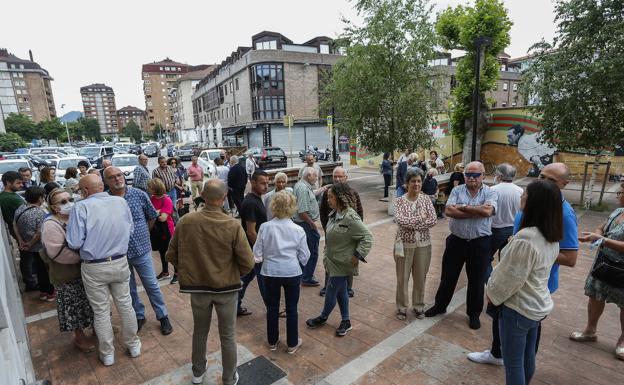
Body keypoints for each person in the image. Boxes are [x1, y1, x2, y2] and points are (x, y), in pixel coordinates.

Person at [468, 162, 578, 366]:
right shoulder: (532, 204)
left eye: (551, 180)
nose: (543, 183)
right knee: (503, 324)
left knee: (523, 345)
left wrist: (530, 254)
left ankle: (513, 362)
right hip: (513, 277)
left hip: (533, 284)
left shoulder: (563, 213)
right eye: (541, 176)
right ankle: (497, 353)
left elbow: (570, 258)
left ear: (564, 184)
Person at [166, 179, 254, 385]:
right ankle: (229, 377)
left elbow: (171, 254)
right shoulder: (232, 225)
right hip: (227, 288)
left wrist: (189, 271)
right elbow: (248, 262)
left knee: (199, 331)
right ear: (223, 199)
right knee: (228, 336)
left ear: (203, 196)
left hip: (198, 289)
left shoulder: (186, 221)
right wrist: (231, 273)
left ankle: (197, 372)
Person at [486, 179, 562, 385]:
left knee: (513, 363)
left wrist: (491, 295)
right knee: (527, 357)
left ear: (535, 202)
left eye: (526, 193)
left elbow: (509, 279)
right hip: (535, 305)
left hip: (518, 308)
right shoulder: (551, 235)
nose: (521, 196)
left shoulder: (527, 239)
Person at [66, 174, 141, 367]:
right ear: (101, 186)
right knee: (125, 305)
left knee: (100, 311)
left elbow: (74, 241)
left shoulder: (80, 207)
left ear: (85, 191)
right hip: (120, 261)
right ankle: (133, 345)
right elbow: (130, 230)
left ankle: (108, 354)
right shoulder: (120, 202)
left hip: (94, 266)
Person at [425, 161, 498, 330]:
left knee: (477, 281)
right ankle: (440, 306)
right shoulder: (457, 190)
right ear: (464, 175)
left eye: (475, 175)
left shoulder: (490, 192)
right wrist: (475, 210)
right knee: (448, 277)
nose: (471, 178)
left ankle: (473, 314)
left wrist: (462, 208)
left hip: (480, 243)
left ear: (483, 176)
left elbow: (488, 212)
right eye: (468, 174)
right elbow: (449, 211)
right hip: (456, 241)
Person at [104, 167, 173, 335]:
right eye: (112, 177)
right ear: (106, 181)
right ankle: (139, 315)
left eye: (119, 175)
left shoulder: (139, 194)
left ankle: (163, 316)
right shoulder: (104, 201)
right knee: (129, 288)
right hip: (119, 253)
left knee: (151, 285)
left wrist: (144, 233)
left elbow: (151, 216)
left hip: (141, 249)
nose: (117, 179)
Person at [306, 183, 372, 336]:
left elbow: (367, 237)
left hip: (343, 263)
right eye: (327, 196)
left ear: (340, 198)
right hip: (332, 260)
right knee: (342, 292)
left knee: (331, 290)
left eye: (331, 197)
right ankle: (346, 321)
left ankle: (323, 317)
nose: (327, 200)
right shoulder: (334, 214)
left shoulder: (350, 216)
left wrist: (358, 255)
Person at [570, 182, 624, 361]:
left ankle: (623, 341)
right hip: (604, 263)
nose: (618, 195)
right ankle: (590, 330)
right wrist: (596, 234)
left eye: (621, 192)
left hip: (621, 269)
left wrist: (602, 240)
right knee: (596, 296)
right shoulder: (618, 212)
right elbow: (602, 227)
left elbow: (604, 238)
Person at [254, 191, 309, 353]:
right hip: (292, 271)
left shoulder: (265, 227)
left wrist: (265, 259)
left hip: (270, 271)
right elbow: (305, 256)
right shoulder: (298, 230)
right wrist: (297, 263)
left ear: (274, 207)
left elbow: (257, 253)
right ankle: (292, 343)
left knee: (272, 307)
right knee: (292, 308)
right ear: (292, 207)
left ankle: (272, 341)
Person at [42, 188, 95, 352]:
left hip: (84, 271)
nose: (69, 204)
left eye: (70, 199)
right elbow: (56, 252)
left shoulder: (75, 218)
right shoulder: (50, 224)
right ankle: (79, 338)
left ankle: (96, 329)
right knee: (72, 307)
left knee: (90, 302)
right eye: (63, 202)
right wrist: (84, 256)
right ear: (54, 207)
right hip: (66, 274)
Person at [394, 168, 437, 320]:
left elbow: (433, 220)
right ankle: (402, 307)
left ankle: (419, 306)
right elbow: (401, 221)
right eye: (413, 181)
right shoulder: (399, 201)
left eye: (419, 181)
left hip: (424, 245)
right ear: (407, 183)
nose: (417, 184)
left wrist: (412, 222)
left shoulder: (426, 199)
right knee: (402, 277)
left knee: (420, 277)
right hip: (404, 244)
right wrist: (421, 218)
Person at [319, 167, 362, 297]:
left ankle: (348, 288)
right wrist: (328, 229)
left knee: (348, 260)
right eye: (335, 176)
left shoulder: (353, 193)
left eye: (340, 176)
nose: (337, 179)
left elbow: (360, 214)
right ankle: (328, 286)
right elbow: (322, 214)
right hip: (332, 234)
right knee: (330, 259)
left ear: (346, 178)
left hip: (348, 236)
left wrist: (355, 233)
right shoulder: (328, 192)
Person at [13, 186, 55, 300]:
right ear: (40, 198)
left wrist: (21, 241)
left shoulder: (21, 208)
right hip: (39, 246)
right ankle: (50, 292)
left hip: (28, 246)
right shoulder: (39, 212)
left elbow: (14, 225)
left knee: (38, 268)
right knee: (45, 270)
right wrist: (30, 243)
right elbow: (39, 232)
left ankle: (43, 292)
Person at [237, 170, 269, 316]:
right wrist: (260, 251)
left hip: (254, 249)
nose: (266, 186)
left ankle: (235, 304)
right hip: (255, 249)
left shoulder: (257, 198)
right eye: (263, 183)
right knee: (264, 279)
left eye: (267, 183)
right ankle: (272, 307)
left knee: (247, 276)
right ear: (253, 183)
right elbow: (251, 231)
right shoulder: (251, 202)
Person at [486, 163, 523, 280]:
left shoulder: (492, 190)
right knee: (506, 261)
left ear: (500, 176)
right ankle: (502, 283)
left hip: (495, 229)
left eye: (496, 174)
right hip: (513, 229)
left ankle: (490, 284)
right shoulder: (520, 191)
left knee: (486, 259)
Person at [293, 167, 324, 286]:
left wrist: (322, 189)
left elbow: (311, 195)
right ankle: (307, 277)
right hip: (305, 223)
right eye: (315, 176)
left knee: (304, 250)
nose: (316, 178)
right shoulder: (302, 188)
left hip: (303, 223)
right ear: (308, 176)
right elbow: (302, 211)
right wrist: (312, 224)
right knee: (312, 251)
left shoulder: (303, 185)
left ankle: (303, 273)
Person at [148, 179, 176, 282]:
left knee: (170, 252)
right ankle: (165, 272)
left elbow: (163, 218)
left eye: (150, 187)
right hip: (157, 230)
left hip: (167, 230)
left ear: (156, 188)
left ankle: (177, 273)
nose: (149, 189)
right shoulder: (152, 198)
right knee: (161, 251)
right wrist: (159, 211)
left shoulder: (166, 199)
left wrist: (155, 212)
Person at [0, 171, 24, 240]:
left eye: (21, 182)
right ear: (8, 183)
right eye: (18, 183)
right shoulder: (11, 198)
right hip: (20, 231)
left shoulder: (5, 195)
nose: (22, 185)